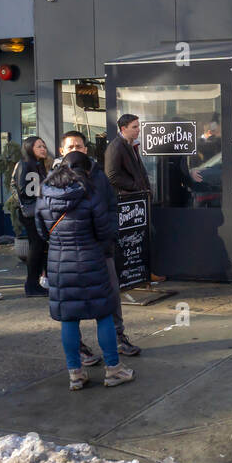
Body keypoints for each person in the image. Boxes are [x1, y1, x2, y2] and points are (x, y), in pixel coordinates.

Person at [35, 150, 134, 391]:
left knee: (68, 318)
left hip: (59, 264)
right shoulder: (91, 195)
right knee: (104, 314)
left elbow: (41, 232)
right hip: (91, 260)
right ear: (85, 170)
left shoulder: (44, 196)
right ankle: (113, 370)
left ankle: (76, 374)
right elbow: (106, 232)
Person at [61, 131, 141, 358]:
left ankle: (118, 338)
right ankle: (79, 349)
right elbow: (45, 217)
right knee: (71, 304)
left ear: (86, 149)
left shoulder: (99, 175)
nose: (75, 149)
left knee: (111, 297)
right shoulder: (55, 178)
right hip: (68, 254)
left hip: (101, 249)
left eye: (79, 145)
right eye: (70, 146)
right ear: (62, 151)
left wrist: (110, 233)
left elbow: (112, 206)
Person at [103, 114, 164, 283]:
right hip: (127, 201)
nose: (138, 130)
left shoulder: (129, 145)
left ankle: (144, 273)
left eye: (138, 126)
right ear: (123, 129)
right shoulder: (116, 147)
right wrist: (138, 187)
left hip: (137, 200)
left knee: (146, 235)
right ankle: (138, 274)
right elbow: (112, 176)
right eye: (134, 127)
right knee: (139, 237)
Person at [16, 135, 50, 298]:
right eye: (39, 146)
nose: (43, 149)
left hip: (37, 212)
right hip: (31, 214)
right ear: (30, 148)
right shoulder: (27, 165)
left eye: (43, 146)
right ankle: (32, 285)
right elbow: (27, 192)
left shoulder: (38, 165)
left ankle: (36, 283)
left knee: (39, 247)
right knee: (36, 248)